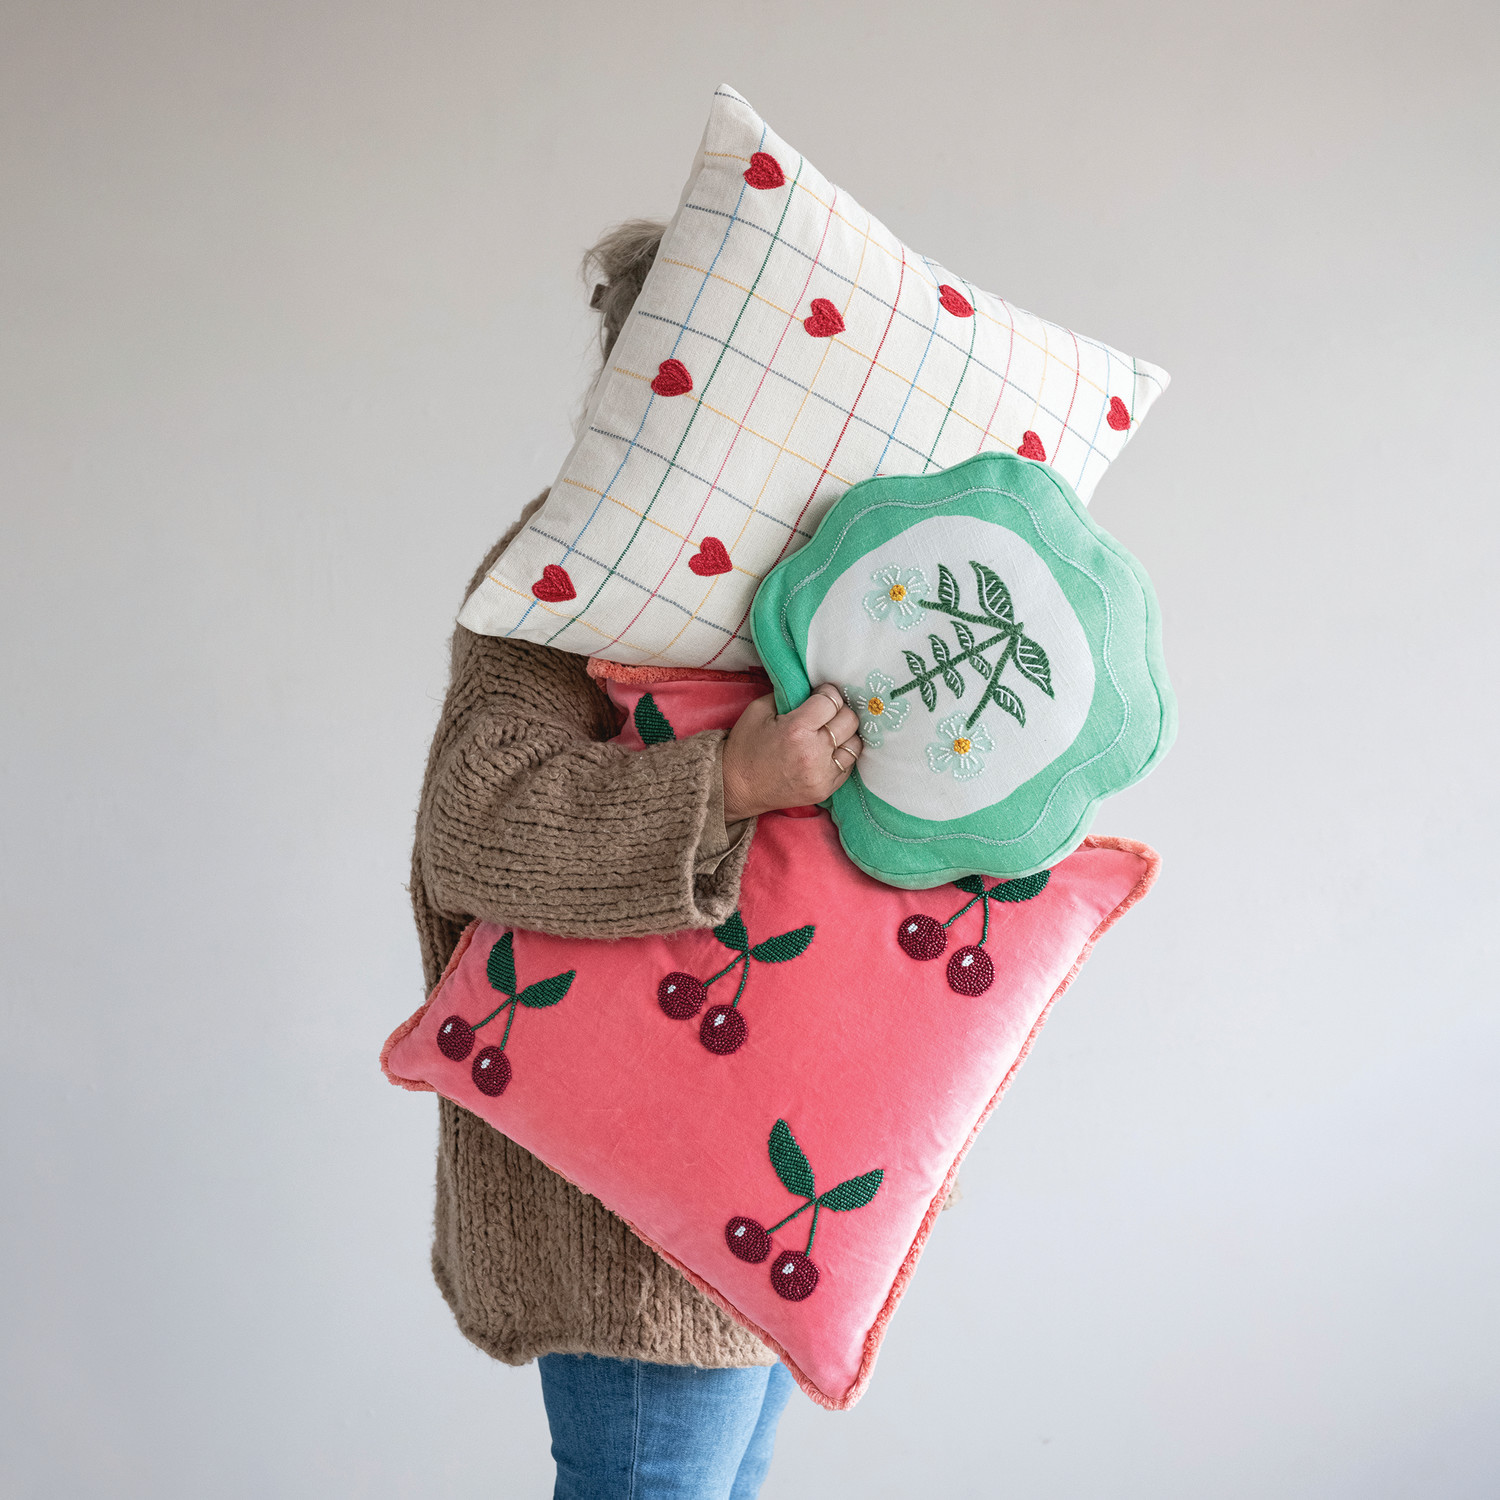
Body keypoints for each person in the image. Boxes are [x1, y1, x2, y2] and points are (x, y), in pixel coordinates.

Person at [409, 220, 869, 1499]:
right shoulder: (573, 564)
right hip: (630, 1184)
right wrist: (731, 782)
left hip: (767, 1152)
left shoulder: (828, 565)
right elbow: (474, 818)